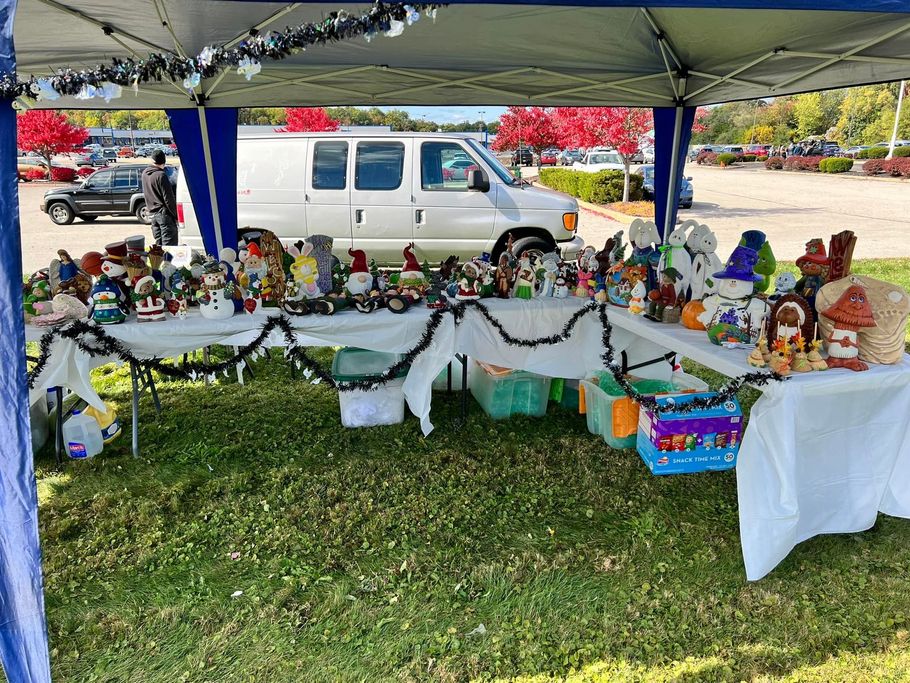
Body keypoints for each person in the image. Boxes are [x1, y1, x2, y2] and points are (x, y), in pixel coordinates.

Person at [141, 150, 178, 246]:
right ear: (164, 162)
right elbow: (168, 199)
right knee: (169, 247)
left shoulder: (145, 173)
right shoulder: (161, 175)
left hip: (153, 215)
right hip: (164, 215)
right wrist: (176, 215)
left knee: (159, 247)